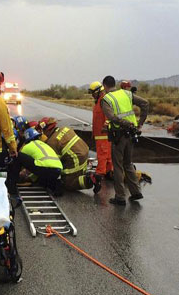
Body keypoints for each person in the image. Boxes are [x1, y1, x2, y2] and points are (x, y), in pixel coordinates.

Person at [100, 75, 149, 205]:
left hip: (119, 136)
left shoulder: (106, 99)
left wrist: (125, 123)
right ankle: (136, 192)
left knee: (118, 166)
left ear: (104, 86)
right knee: (128, 163)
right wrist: (139, 124)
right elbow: (145, 104)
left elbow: (111, 117)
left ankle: (120, 197)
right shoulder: (127, 94)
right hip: (131, 135)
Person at [38, 117, 101, 193]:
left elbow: (54, 164)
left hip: (77, 158)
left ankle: (90, 180)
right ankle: (86, 175)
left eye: (43, 131)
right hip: (84, 151)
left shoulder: (52, 142)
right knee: (76, 173)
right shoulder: (64, 128)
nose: (43, 134)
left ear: (47, 130)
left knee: (68, 183)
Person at [6, 128, 63, 202]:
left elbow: (23, 164)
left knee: (18, 156)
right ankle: (56, 186)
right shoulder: (45, 145)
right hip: (57, 171)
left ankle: (11, 187)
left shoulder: (27, 146)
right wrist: (32, 178)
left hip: (43, 168)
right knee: (42, 180)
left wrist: (20, 175)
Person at [88, 81, 113, 181]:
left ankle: (100, 174)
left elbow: (109, 116)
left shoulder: (104, 101)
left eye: (93, 93)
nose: (92, 95)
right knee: (107, 155)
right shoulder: (98, 102)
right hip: (99, 135)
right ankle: (108, 172)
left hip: (104, 135)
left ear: (98, 91)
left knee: (103, 155)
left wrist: (105, 126)